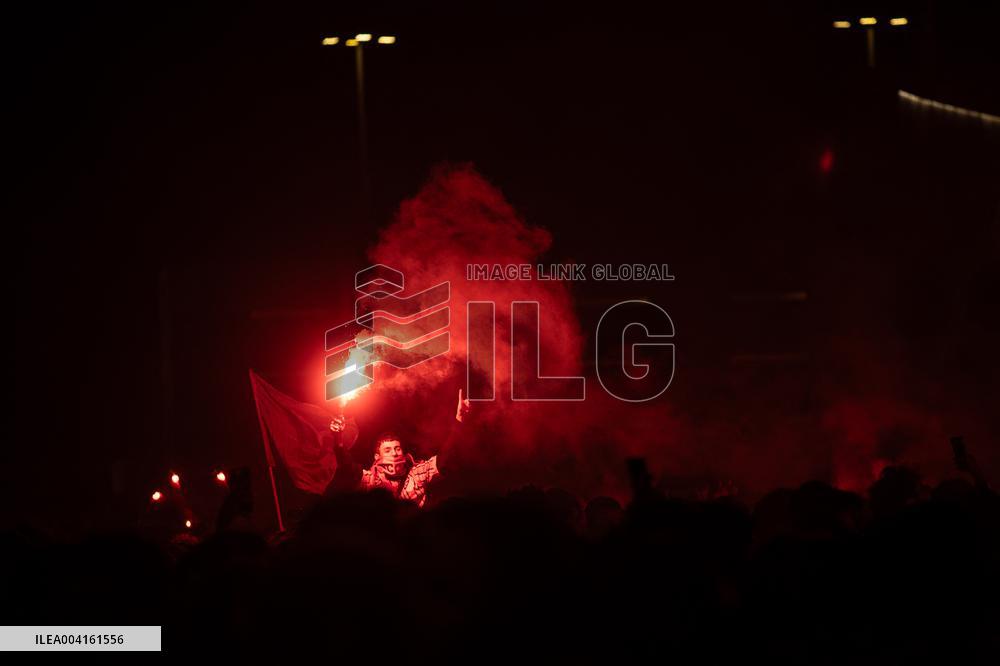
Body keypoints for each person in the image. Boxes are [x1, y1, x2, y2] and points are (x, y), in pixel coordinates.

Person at [328, 389, 470, 507]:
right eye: (388, 450)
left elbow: (446, 459)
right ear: (377, 457)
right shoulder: (370, 479)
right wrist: (338, 439)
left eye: (397, 448)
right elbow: (347, 468)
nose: (394, 453)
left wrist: (459, 421)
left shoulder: (417, 473)